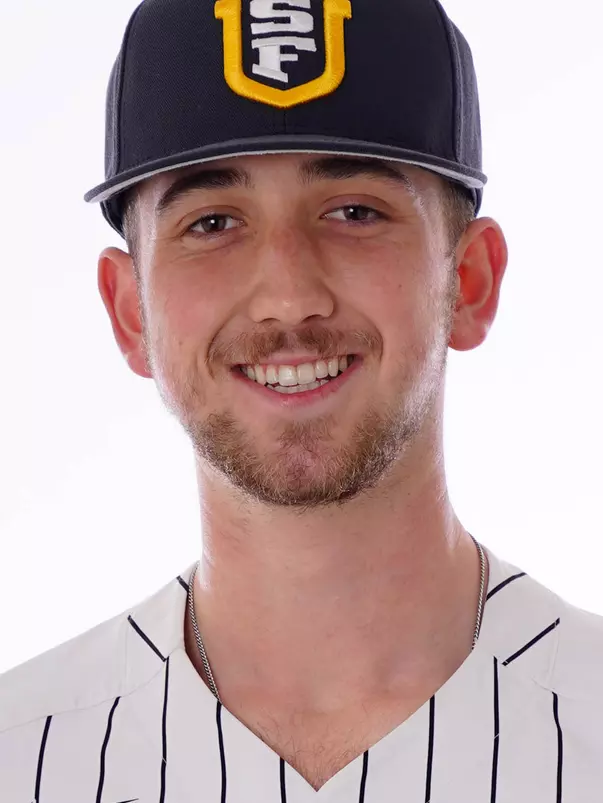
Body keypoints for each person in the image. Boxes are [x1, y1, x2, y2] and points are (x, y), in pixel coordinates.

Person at [2, 0, 602, 799]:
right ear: (130, 311)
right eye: (213, 222)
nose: (287, 295)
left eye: (354, 212)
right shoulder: (21, 755)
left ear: (468, 281)